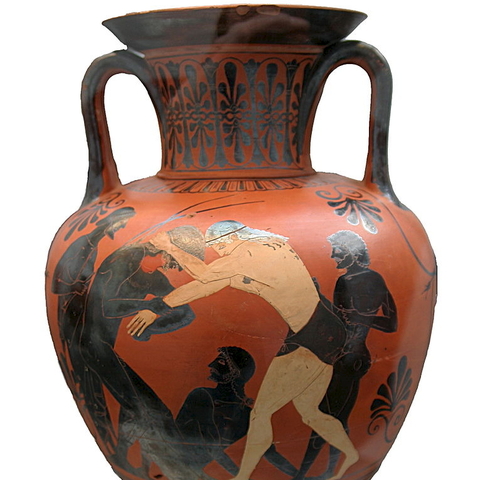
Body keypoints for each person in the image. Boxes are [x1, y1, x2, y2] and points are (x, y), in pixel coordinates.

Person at [144, 220, 358, 480]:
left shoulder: (250, 253)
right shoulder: (261, 249)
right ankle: (351, 455)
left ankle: (243, 476)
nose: (218, 253)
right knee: (310, 413)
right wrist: (161, 306)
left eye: (218, 247)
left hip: (313, 332)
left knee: (260, 413)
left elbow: (206, 275)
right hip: (319, 327)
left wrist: (170, 246)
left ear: (231, 239)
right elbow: (209, 284)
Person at [79, 225, 204, 477]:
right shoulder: (123, 258)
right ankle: (171, 471)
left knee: (151, 409)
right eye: (177, 259)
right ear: (168, 250)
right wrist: (152, 306)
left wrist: (151, 327)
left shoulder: (154, 277)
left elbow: (186, 311)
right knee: (147, 411)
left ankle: (139, 464)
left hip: (106, 349)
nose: (175, 266)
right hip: (91, 347)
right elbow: (107, 307)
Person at [292, 230, 398, 480]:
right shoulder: (361, 279)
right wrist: (319, 296)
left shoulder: (358, 280)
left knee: (323, 415)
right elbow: (349, 320)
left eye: (337, 250)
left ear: (352, 252)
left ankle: (304, 474)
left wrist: (359, 317)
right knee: (337, 416)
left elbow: (382, 323)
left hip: (348, 357)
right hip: (350, 355)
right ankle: (332, 471)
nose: (333, 255)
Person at [51, 207, 135, 449]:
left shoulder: (93, 243)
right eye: (122, 224)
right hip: (74, 309)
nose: (122, 228)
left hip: (83, 308)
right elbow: (61, 281)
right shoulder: (84, 242)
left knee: (92, 361)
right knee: (86, 363)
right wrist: (84, 288)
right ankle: (111, 434)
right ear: (113, 221)